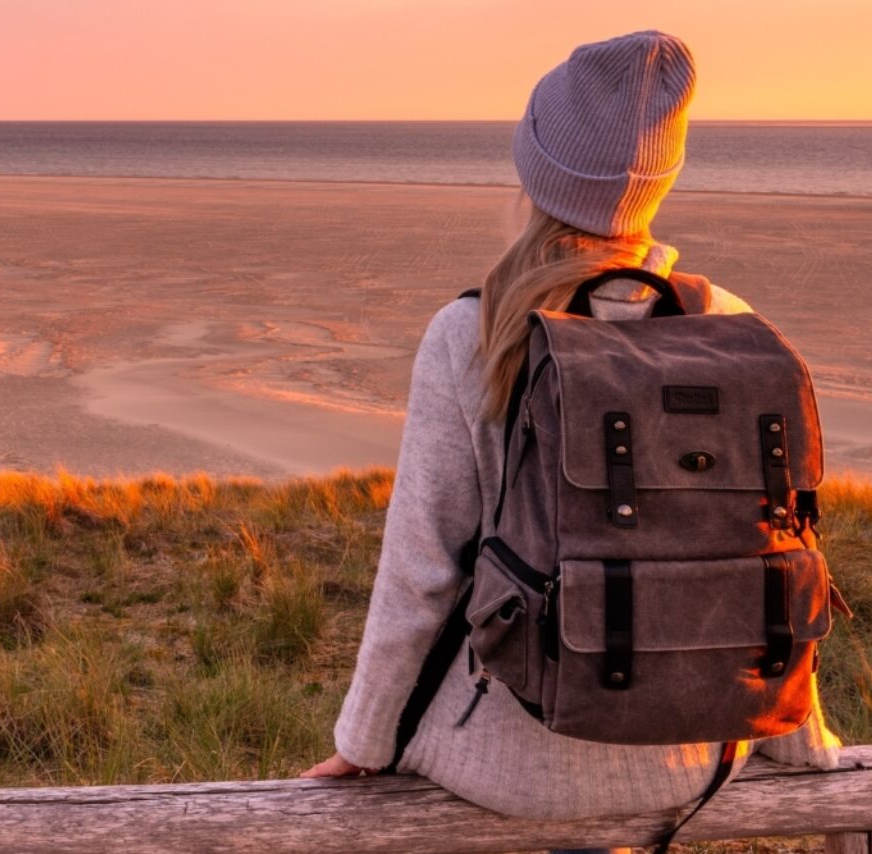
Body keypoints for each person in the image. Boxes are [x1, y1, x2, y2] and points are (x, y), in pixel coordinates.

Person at [301, 30, 843, 853]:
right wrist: (793, 733)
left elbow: (422, 568)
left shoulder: (474, 330)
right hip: (698, 749)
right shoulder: (730, 324)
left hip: (512, 763)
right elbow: (771, 541)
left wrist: (362, 743)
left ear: (535, 170)